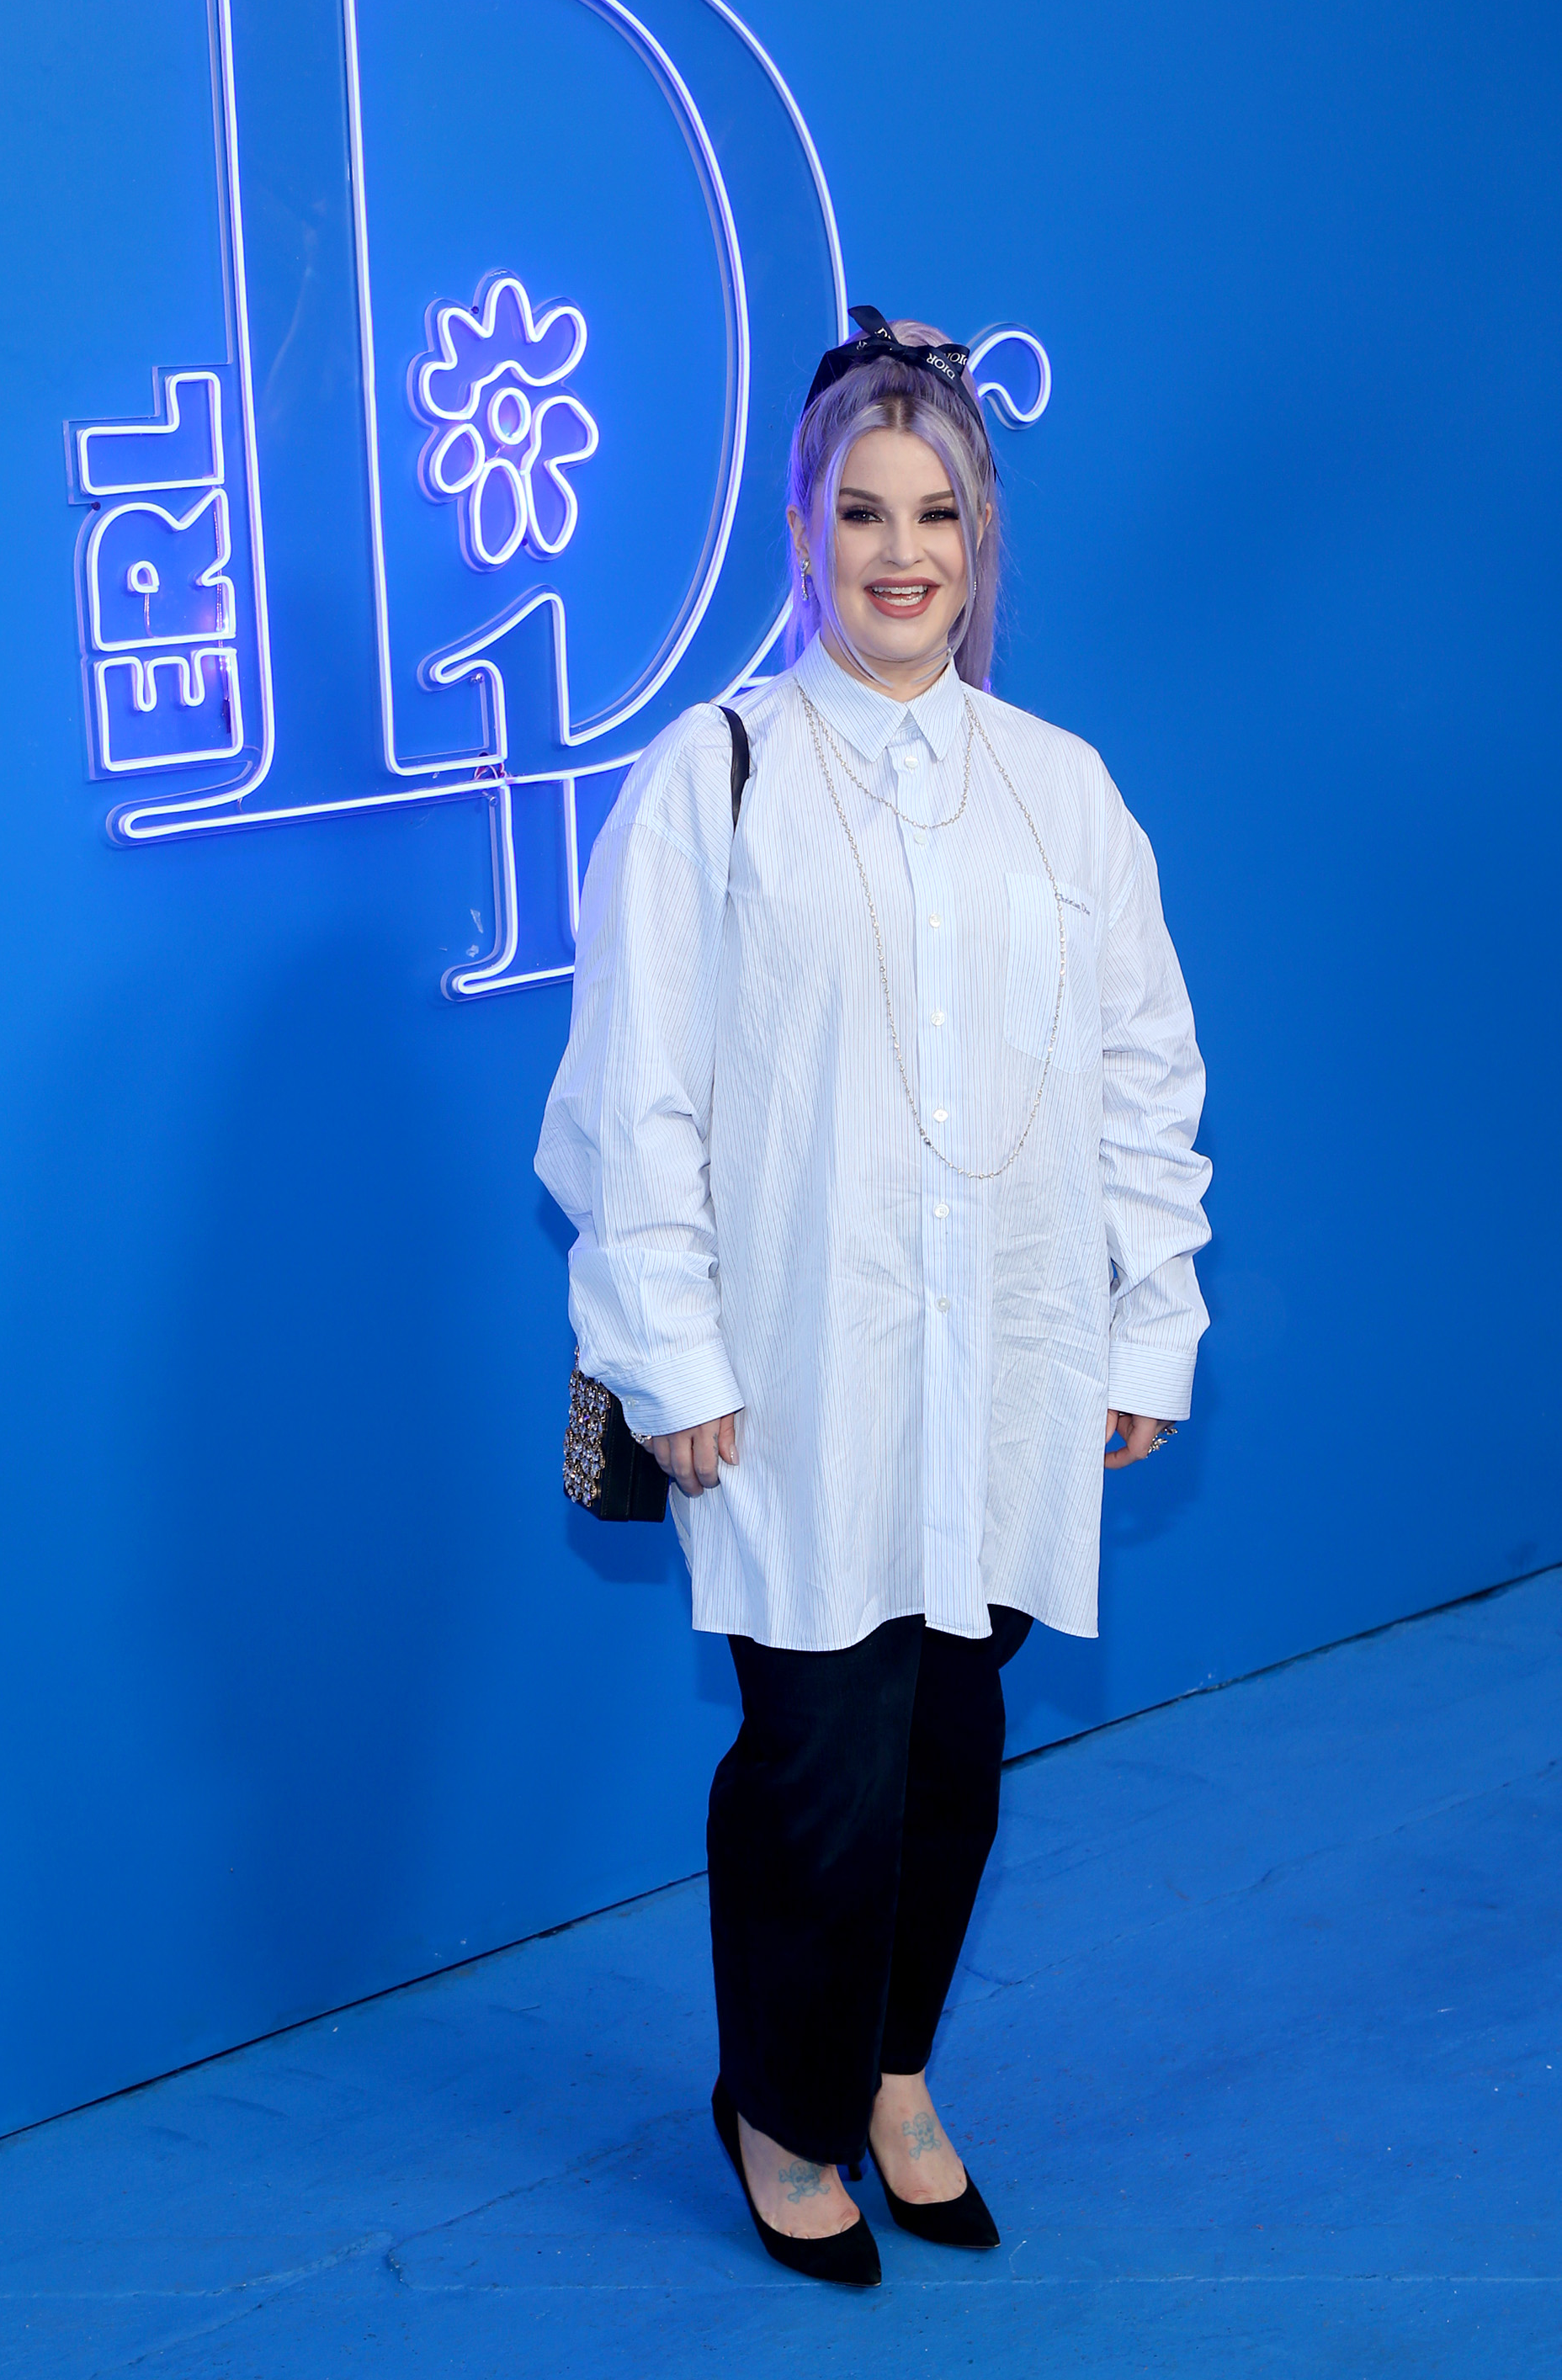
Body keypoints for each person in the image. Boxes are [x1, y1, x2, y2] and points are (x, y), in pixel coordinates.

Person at [535, 311, 1210, 2286]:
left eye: (935, 511)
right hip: (796, 1378)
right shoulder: (716, 772)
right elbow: (626, 1097)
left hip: (1009, 1362)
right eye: (860, 510)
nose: (897, 549)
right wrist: (673, 1357)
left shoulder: (1060, 788)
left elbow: (1140, 1068)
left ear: (980, 538)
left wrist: (1145, 1312)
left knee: (953, 1749)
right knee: (817, 1768)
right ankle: (785, 2107)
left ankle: (895, 2072)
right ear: (806, 535)